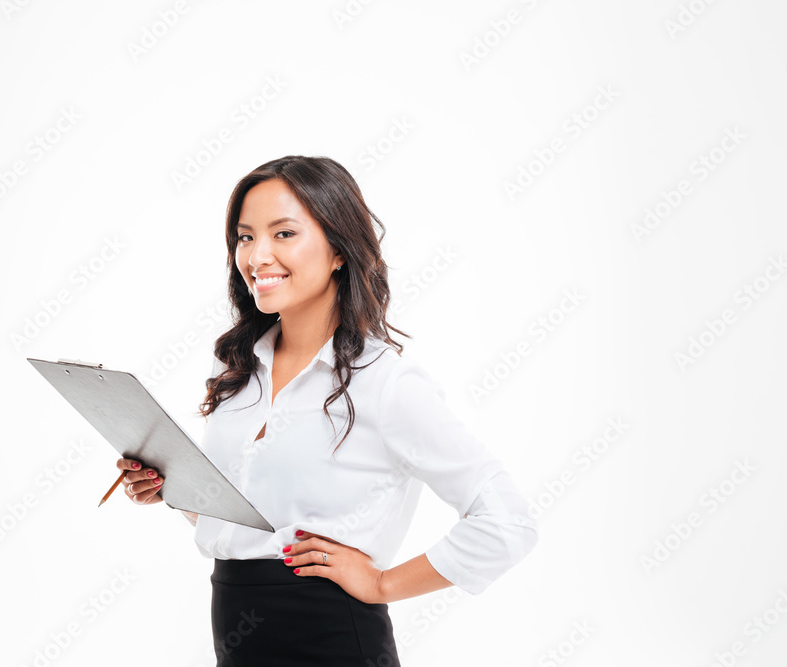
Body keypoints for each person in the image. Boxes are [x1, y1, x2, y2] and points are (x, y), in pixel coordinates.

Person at [115, 155, 539, 666]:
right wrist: (172, 490)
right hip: (238, 637)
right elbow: (251, 527)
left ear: (339, 249)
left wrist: (383, 583)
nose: (257, 256)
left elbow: (509, 522)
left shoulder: (384, 382)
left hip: (334, 642)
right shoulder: (238, 368)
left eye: (283, 233)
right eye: (245, 237)